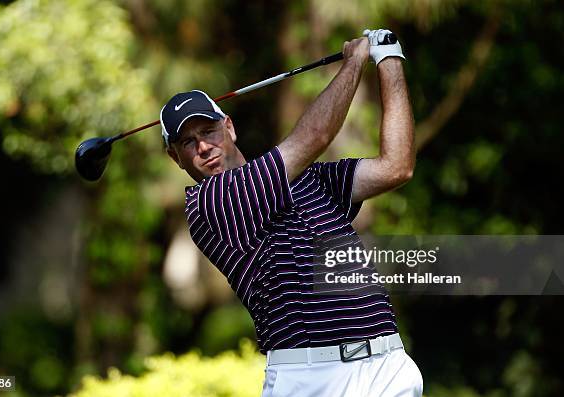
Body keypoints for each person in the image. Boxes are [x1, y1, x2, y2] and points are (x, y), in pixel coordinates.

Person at [160, 29, 422, 397]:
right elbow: (314, 137)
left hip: (385, 365)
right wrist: (354, 63)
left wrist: (389, 59)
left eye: (209, 130)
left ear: (229, 128)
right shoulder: (211, 202)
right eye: (188, 142)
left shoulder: (309, 179)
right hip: (311, 377)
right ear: (175, 158)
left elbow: (397, 167)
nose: (204, 146)